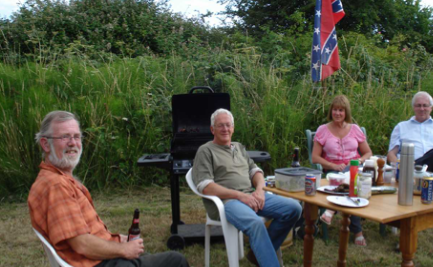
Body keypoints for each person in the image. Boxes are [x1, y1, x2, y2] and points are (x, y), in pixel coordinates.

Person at [28, 111, 189, 267]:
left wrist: (118, 240)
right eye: (64, 137)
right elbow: (82, 244)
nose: (72, 143)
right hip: (95, 263)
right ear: (45, 144)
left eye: (76, 137)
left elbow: (84, 237)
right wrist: (122, 249)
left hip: (97, 259)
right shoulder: (56, 186)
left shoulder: (55, 179)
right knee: (175, 260)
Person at [192, 109, 301, 267]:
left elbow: (256, 172)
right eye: (220, 125)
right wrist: (240, 196)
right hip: (227, 203)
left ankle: (259, 255)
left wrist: (259, 190)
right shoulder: (206, 150)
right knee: (256, 224)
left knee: (293, 208)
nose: (225, 129)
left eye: (228, 125)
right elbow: (205, 186)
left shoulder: (239, 147)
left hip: (251, 196)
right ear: (212, 129)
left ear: (233, 128)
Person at [311, 95, 372, 246]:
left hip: (355, 168)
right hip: (334, 173)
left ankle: (331, 211)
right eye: (335, 110)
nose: (337, 113)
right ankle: (357, 232)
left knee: (352, 177)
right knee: (352, 185)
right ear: (331, 111)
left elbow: (368, 153)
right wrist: (331, 165)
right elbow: (315, 158)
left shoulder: (355, 129)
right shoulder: (323, 130)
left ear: (346, 112)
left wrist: (359, 161)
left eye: (341, 110)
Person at [387, 91, 433, 173]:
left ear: (431, 108)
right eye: (418, 105)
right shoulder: (401, 127)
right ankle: (413, 170)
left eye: (425, 105)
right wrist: (400, 167)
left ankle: (414, 170)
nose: (422, 109)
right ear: (413, 107)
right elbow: (391, 154)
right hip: (407, 168)